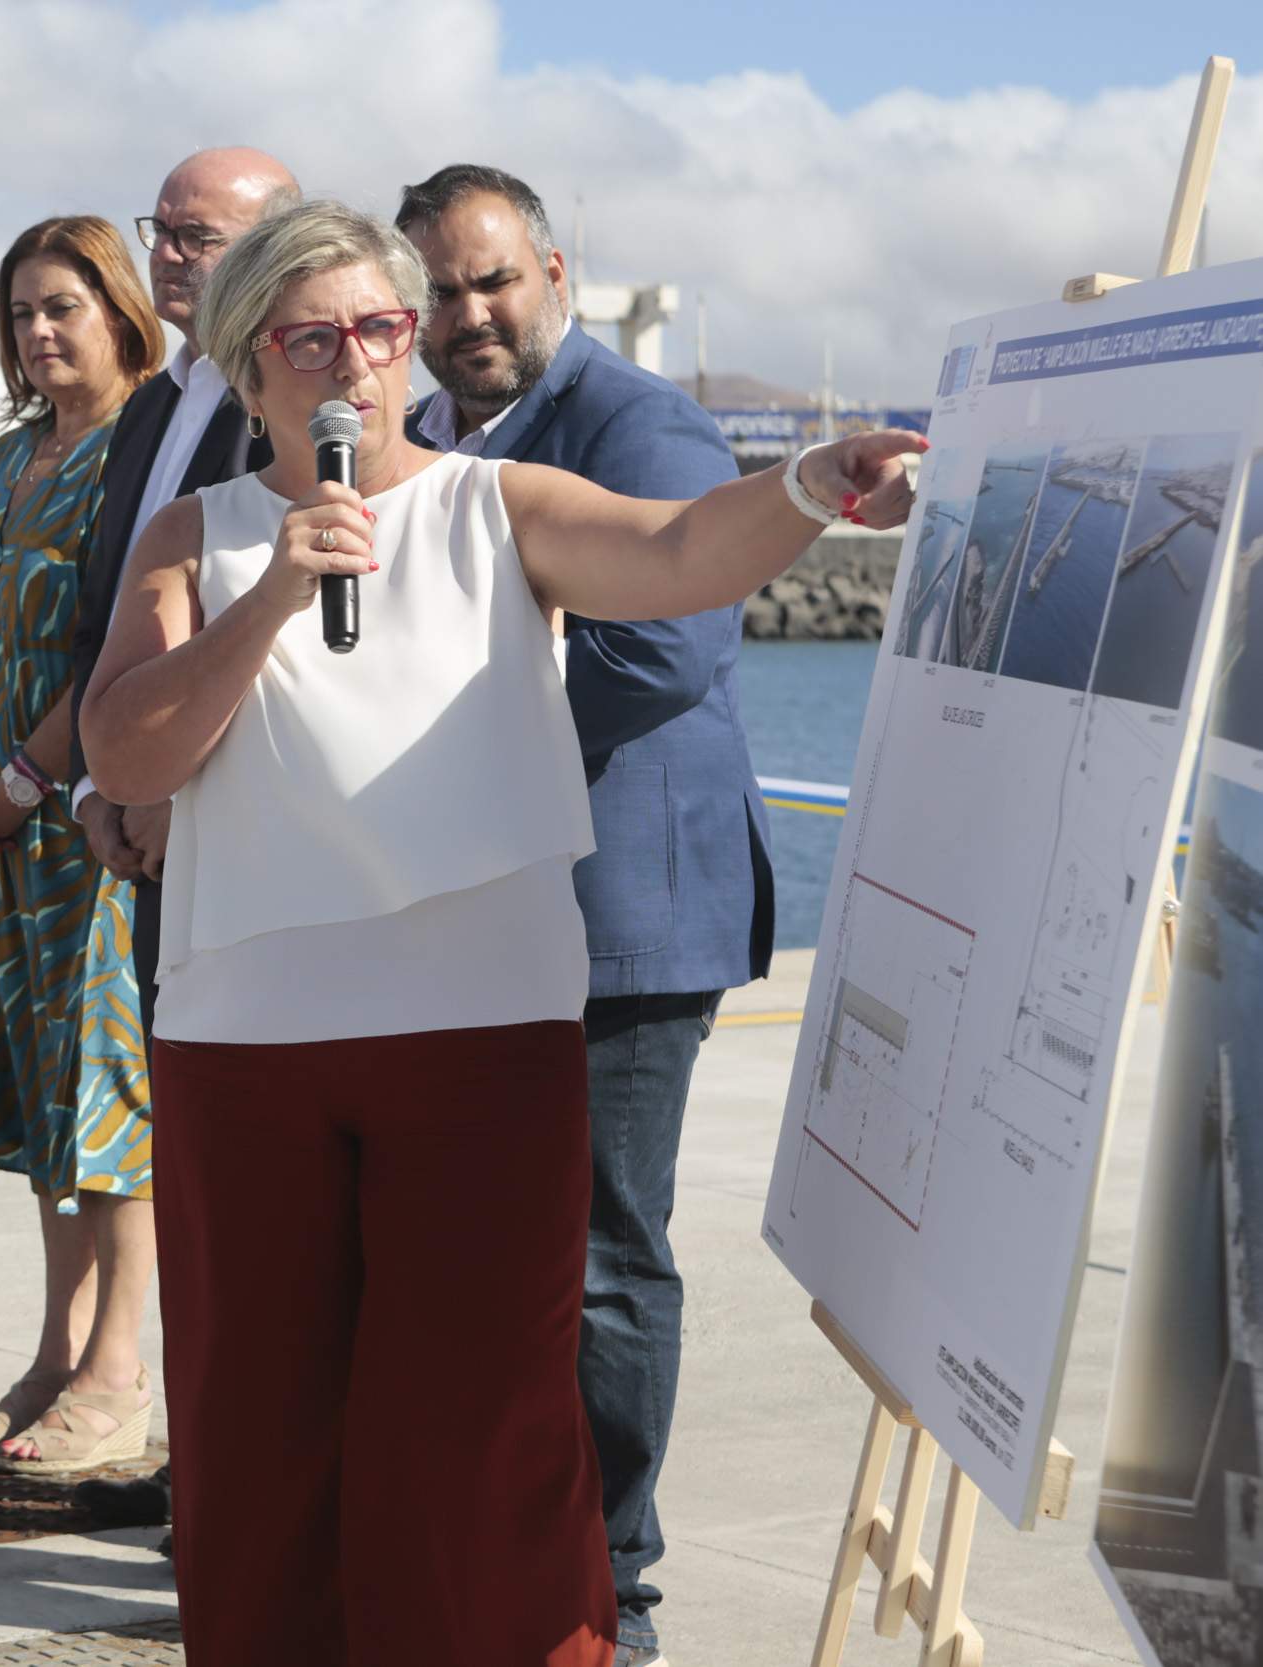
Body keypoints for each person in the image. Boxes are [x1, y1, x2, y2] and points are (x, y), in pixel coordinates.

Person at [80, 197, 920, 1667]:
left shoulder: (497, 502)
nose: (358, 362)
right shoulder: (193, 532)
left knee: (479, 1422)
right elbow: (132, 749)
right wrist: (276, 588)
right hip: (249, 1041)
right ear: (247, 363)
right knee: (259, 1424)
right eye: (314, 336)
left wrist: (809, 484)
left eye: (381, 329)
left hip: (477, 1032)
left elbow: (675, 553)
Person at [397, 162, 772, 1667]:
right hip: (506, 916)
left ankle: (616, 1589)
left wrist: (452, 718)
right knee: (514, 1250)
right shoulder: (434, 437)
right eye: (440, 289)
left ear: (556, 272)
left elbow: (672, 648)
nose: (469, 312)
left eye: (493, 279)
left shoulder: (636, 423)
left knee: (611, 1254)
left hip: (629, 913)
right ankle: (528, 1551)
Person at [64, 144, 297, 1536]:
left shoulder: (300, 407)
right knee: (194, 1171)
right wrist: (95, 783)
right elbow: (117, 616)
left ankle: (255, 1482)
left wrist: (161, 783)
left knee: (260, 1188)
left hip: (254, 842)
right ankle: (200, 1456)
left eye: (199, 236)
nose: (169, 254)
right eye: (162, 230)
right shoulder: (160, 400)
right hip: (145, 838)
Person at [0, 216, 163, 1473]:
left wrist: (23, 780)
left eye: (63, 304)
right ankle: (55, 1352)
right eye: (21, 311)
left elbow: (120, 643)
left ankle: (120, 1370)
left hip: (83, 825)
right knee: (31, 1104)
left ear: (121, 310)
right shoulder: (3, 459)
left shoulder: (144, 449)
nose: (38, 331)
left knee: (105, 1102)